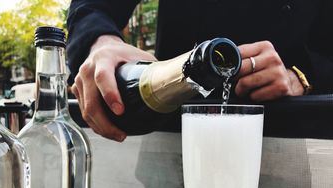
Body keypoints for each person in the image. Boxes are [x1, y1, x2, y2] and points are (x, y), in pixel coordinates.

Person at [66, 0, 333, 142]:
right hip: (174, 145)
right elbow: (93, 6)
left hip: (290, 145)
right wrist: (101, 42)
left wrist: (300, 76)